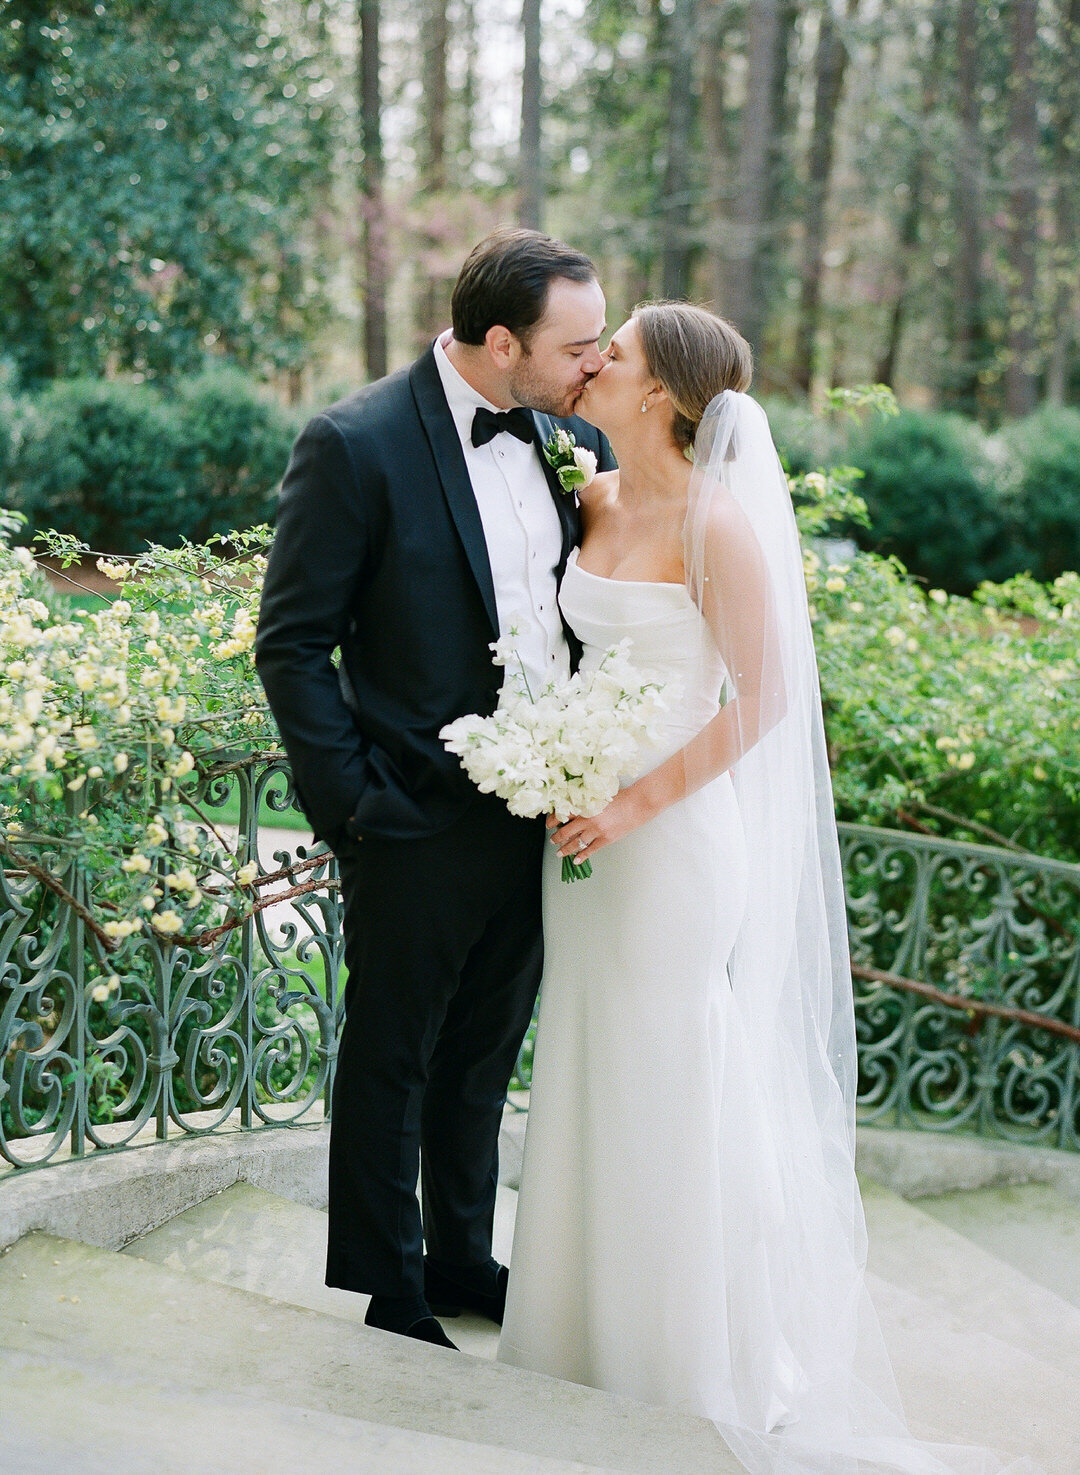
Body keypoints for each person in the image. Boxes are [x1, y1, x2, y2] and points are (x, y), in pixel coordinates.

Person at [497, 303, 1039, 1475]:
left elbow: (762, 699)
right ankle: (573, 1328)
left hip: (675, 841)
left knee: (669, 1059)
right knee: (588, 1053)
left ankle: (684, 1352)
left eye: (618, 355)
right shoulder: (587, 497)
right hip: (578, 828)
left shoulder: (720, 525)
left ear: (661, 394)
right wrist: (548, 758)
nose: (595, 364)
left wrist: (634, 802)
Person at [254, 228, 613, 1348]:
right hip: (410, 812)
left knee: (483, 1054)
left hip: (537, 811)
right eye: (578, 345)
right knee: (394, 1053)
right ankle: (387, 1276)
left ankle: (462, 1251)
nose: (596, 364)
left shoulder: (574, 438)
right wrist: (355, 802)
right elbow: (292, 643)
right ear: (503, 342)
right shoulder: (354, 443)